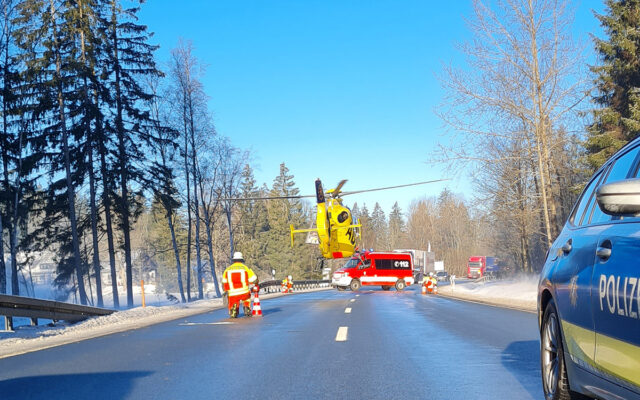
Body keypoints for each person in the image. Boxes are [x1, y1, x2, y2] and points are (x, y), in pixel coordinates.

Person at [222, 252, 258, 318]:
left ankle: (233, 309)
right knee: (247, 298)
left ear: (233, 260)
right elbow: (254, 279)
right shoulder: (245, 268)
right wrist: (255, 283)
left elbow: (224, 282)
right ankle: (246, 307)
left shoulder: (227, 270)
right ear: (242, 260)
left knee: (233, 301)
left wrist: (225, 290)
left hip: (232, 293)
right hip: (244, 291)